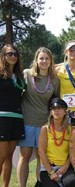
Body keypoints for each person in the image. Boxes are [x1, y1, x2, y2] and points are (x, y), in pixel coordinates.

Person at [17, 47, 60, 187]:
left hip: (44, 124)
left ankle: (40, 184)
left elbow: (55, 102)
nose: (44, 61)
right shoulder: (26, 74)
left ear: (51, 61)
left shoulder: (54, 80)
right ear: (36, 60)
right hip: (27, 122)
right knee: (25, 156)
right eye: (41, 58)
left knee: (42, 158)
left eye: (47, 59)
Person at [38, 98, 75, 187]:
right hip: (48, 168)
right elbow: (41, 152)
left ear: (65, 112)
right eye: (54, 109)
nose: (56, 111)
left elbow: (72, 152)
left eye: (59, 108)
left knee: (72, 183)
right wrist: (51, 172)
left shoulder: (71, 129)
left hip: (65, 168)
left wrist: (66, 166)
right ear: (51, 112)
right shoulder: (45, 129)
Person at [0, 44, 25, 187]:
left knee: (9, 157)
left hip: (17, 118)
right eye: (9, 54)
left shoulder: (19, 76)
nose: (13, 56)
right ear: (3, 56)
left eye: (15, 54)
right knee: (1, 156)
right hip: (2, 118)